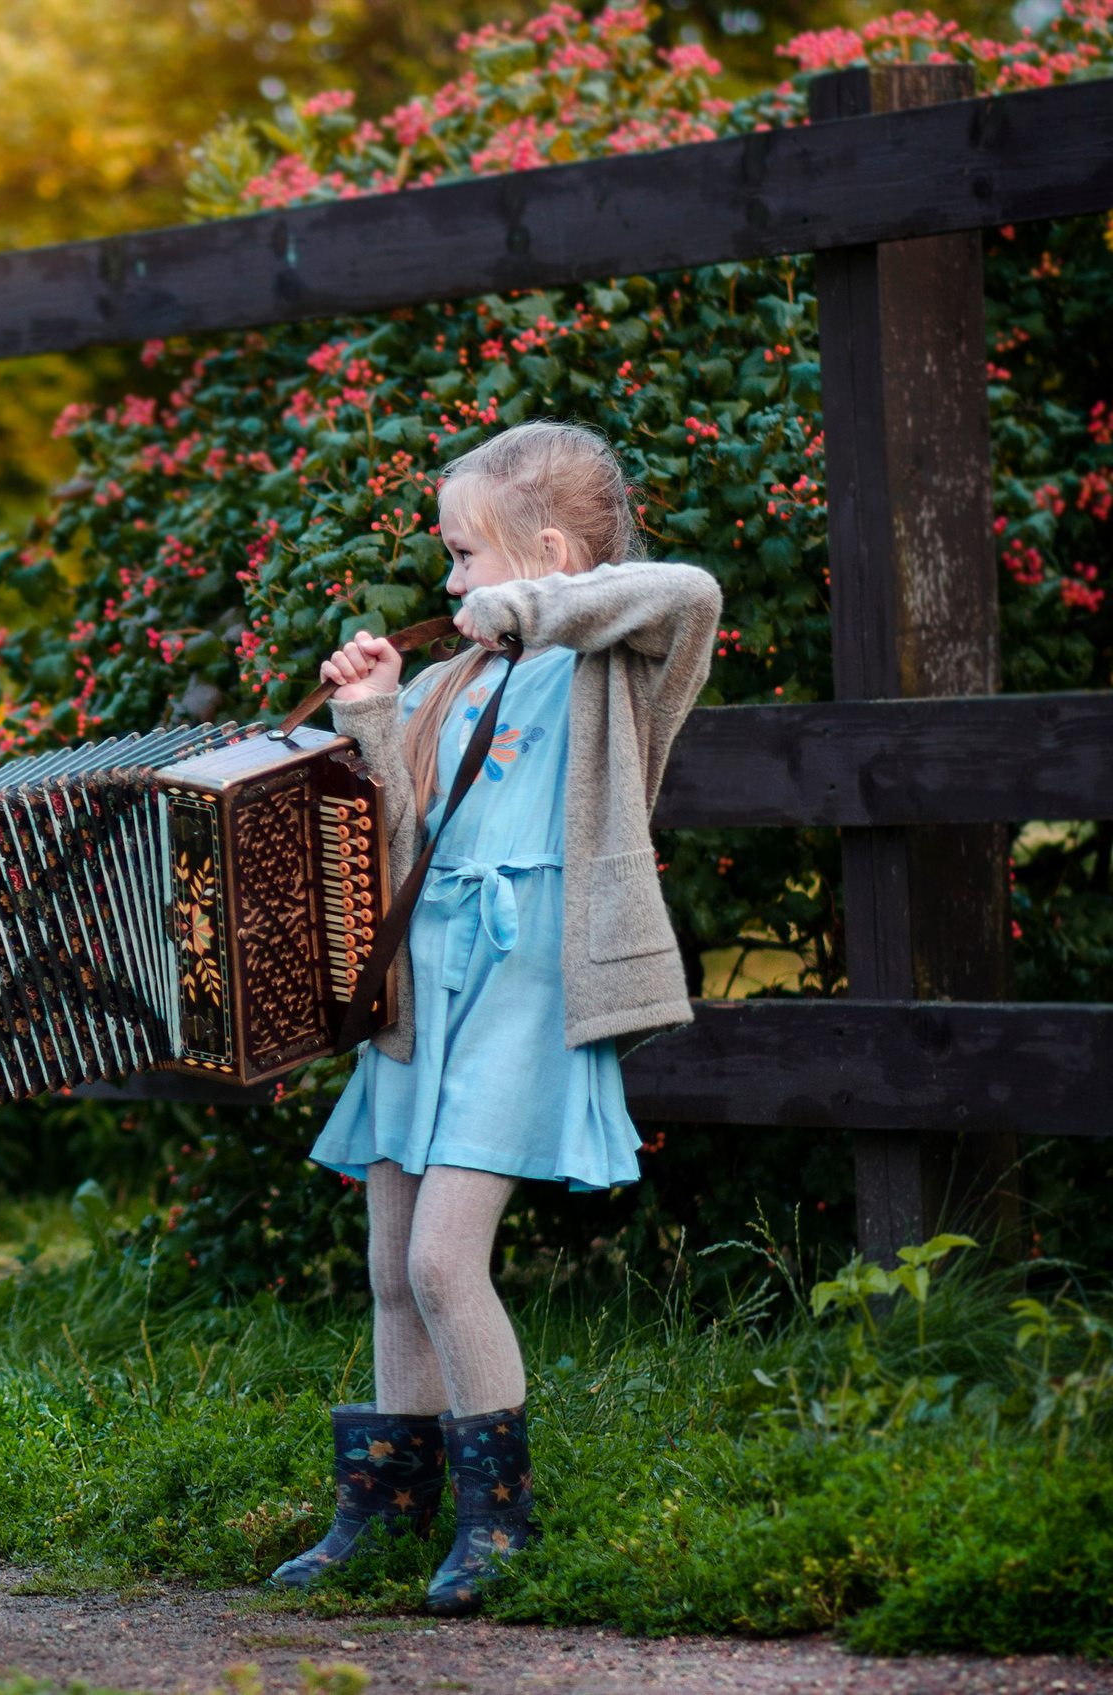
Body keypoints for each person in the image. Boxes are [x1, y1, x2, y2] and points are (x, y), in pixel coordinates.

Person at [267, 421, 719, 1614]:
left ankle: (498, 1524)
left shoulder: (617, 670)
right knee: (389, 1266)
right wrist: (373, 713)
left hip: (525, 986)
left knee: (441, 1259)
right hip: (424, 981)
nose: (450, 578)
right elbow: (397, 839)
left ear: (550, 553)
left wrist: (530, 610)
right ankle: (384, 1510)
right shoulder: (448, 681)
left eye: (464, 554)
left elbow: (690, 591)